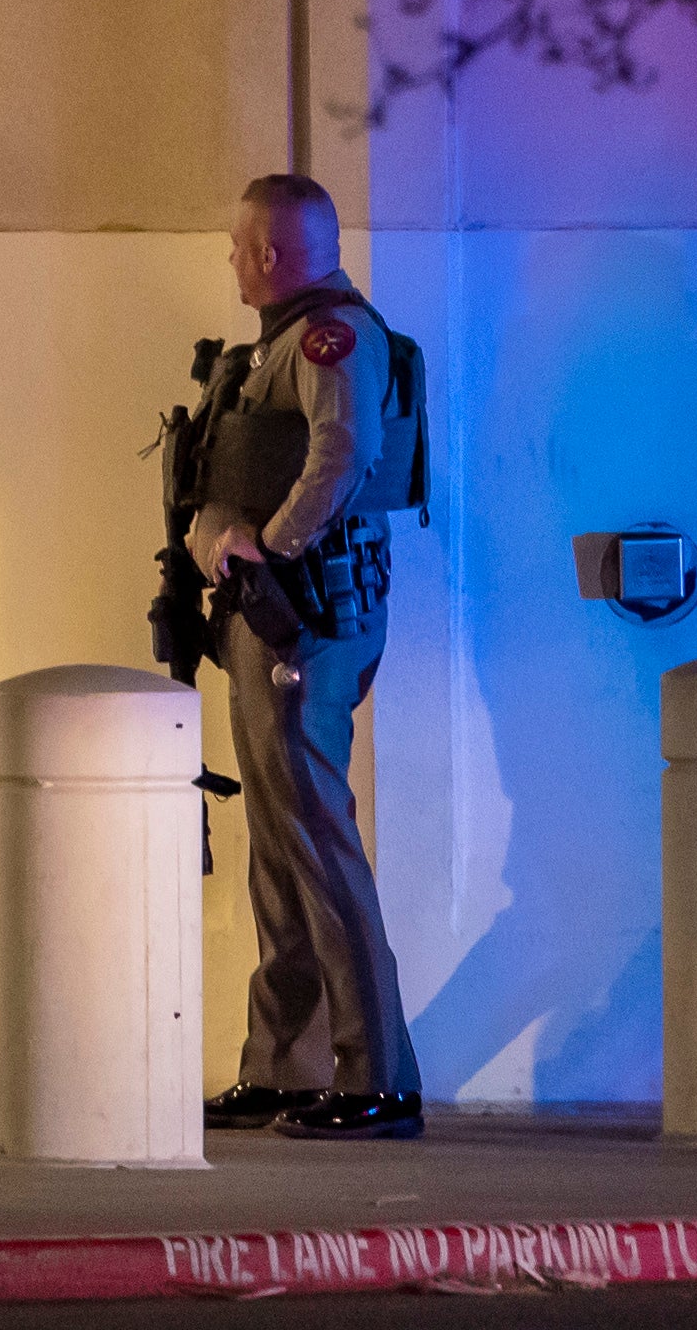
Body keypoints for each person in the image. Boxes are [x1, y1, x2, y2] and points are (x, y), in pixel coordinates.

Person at [155, 173, 425, 1141]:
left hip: (302, 618)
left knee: (317, 840)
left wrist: (270, 544)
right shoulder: (279, 342)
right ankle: (282, 1065)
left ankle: (375, 1075)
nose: (231, 262)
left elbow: (338, 455)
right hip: (272, 616)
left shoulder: (328, 336)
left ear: (268, 253)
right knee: (278, 849)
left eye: (238, 248)